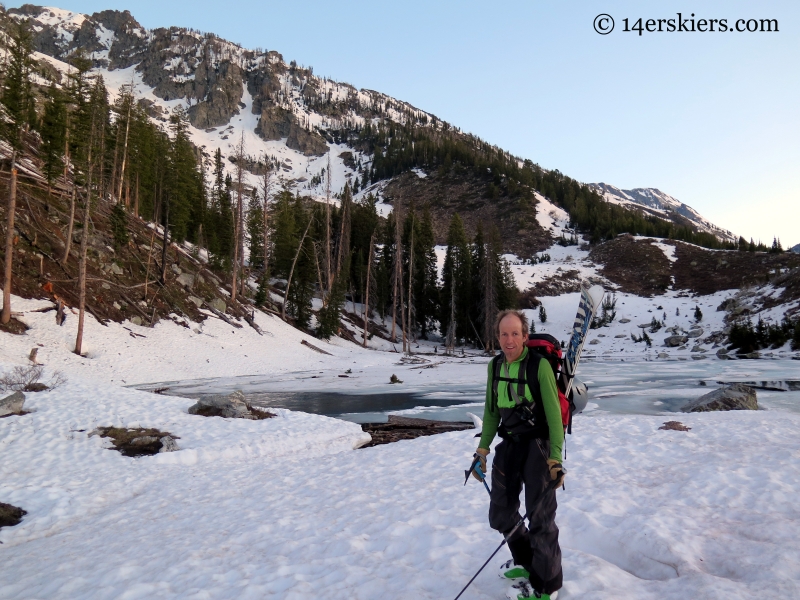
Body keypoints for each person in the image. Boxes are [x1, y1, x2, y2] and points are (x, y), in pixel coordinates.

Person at [472, 309, 565, 600]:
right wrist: (482, 451)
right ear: (497, 337)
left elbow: (553, 417)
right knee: (501, 513)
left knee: (541, 518)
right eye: (503, 334)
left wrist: (556, 459)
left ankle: (547, 586)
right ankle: (527, 563)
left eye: (515, 333)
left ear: (525, 336)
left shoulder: (539, 367)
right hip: (509, 444)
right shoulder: (495, 366)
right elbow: (490, 413)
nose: (509, 340)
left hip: (539, 446)